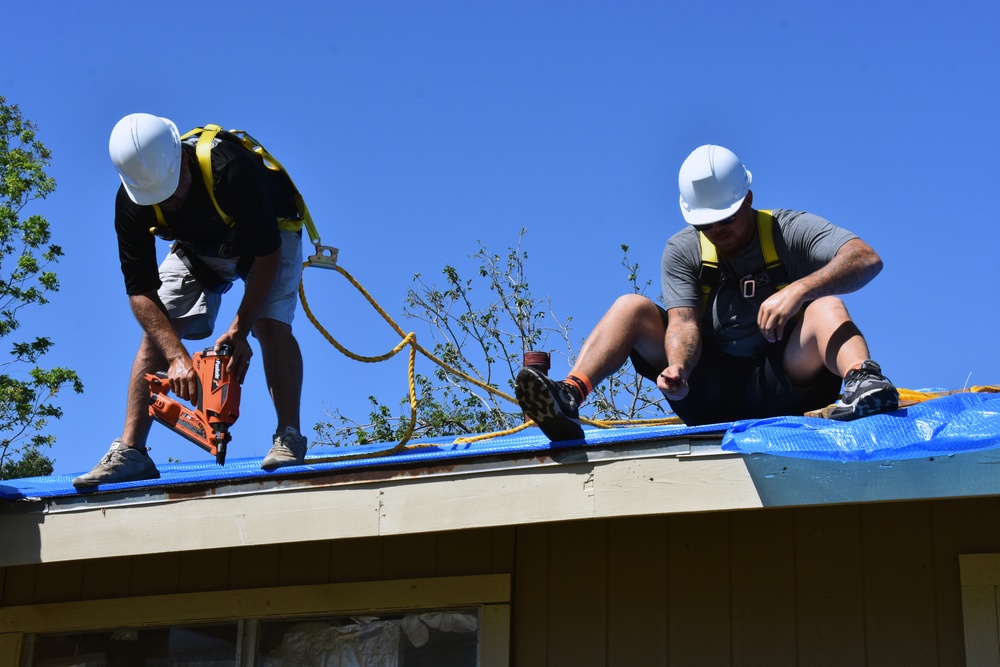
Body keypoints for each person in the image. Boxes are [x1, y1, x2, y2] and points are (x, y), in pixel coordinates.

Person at [515, 144, 899, 441]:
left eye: (727, 219)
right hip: (709, 393)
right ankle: (568, 396)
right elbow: (683, 323)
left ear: (748, 200)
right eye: (706, 224)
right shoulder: (684, 249)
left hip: (784, 385)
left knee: (825, 304)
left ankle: (864, 384)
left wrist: (800, 289)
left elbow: (866, 258)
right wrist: (678, 368)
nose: (718, 231)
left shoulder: (788, 231)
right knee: (631, 306)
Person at [73, 114, 309, 486]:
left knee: (269, 323)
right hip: (197, 247)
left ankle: (289, 436)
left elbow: (267, 258)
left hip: (271, 238)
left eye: (174, 189)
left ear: (182, 158)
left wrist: (239, 329)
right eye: (158, 196)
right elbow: (140, 292)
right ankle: (132, 450)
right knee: (158, 330)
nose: (170, 199)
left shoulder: (228, 169)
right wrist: (176, 355)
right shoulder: (132, 199)